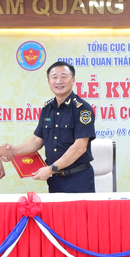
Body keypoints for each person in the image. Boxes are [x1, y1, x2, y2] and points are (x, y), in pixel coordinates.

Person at [14, 61, 96, 193]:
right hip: (55, 179)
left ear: (73, 80)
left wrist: (51, 169)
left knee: (78, 214)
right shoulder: (47, 109)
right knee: (55, 214)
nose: (59, 81)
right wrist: (13, 151)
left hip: (78, 179)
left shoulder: (82, 109)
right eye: (54, 77)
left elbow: (79, 148)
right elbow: (37, 140)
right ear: (48, 81)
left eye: (64, 76)